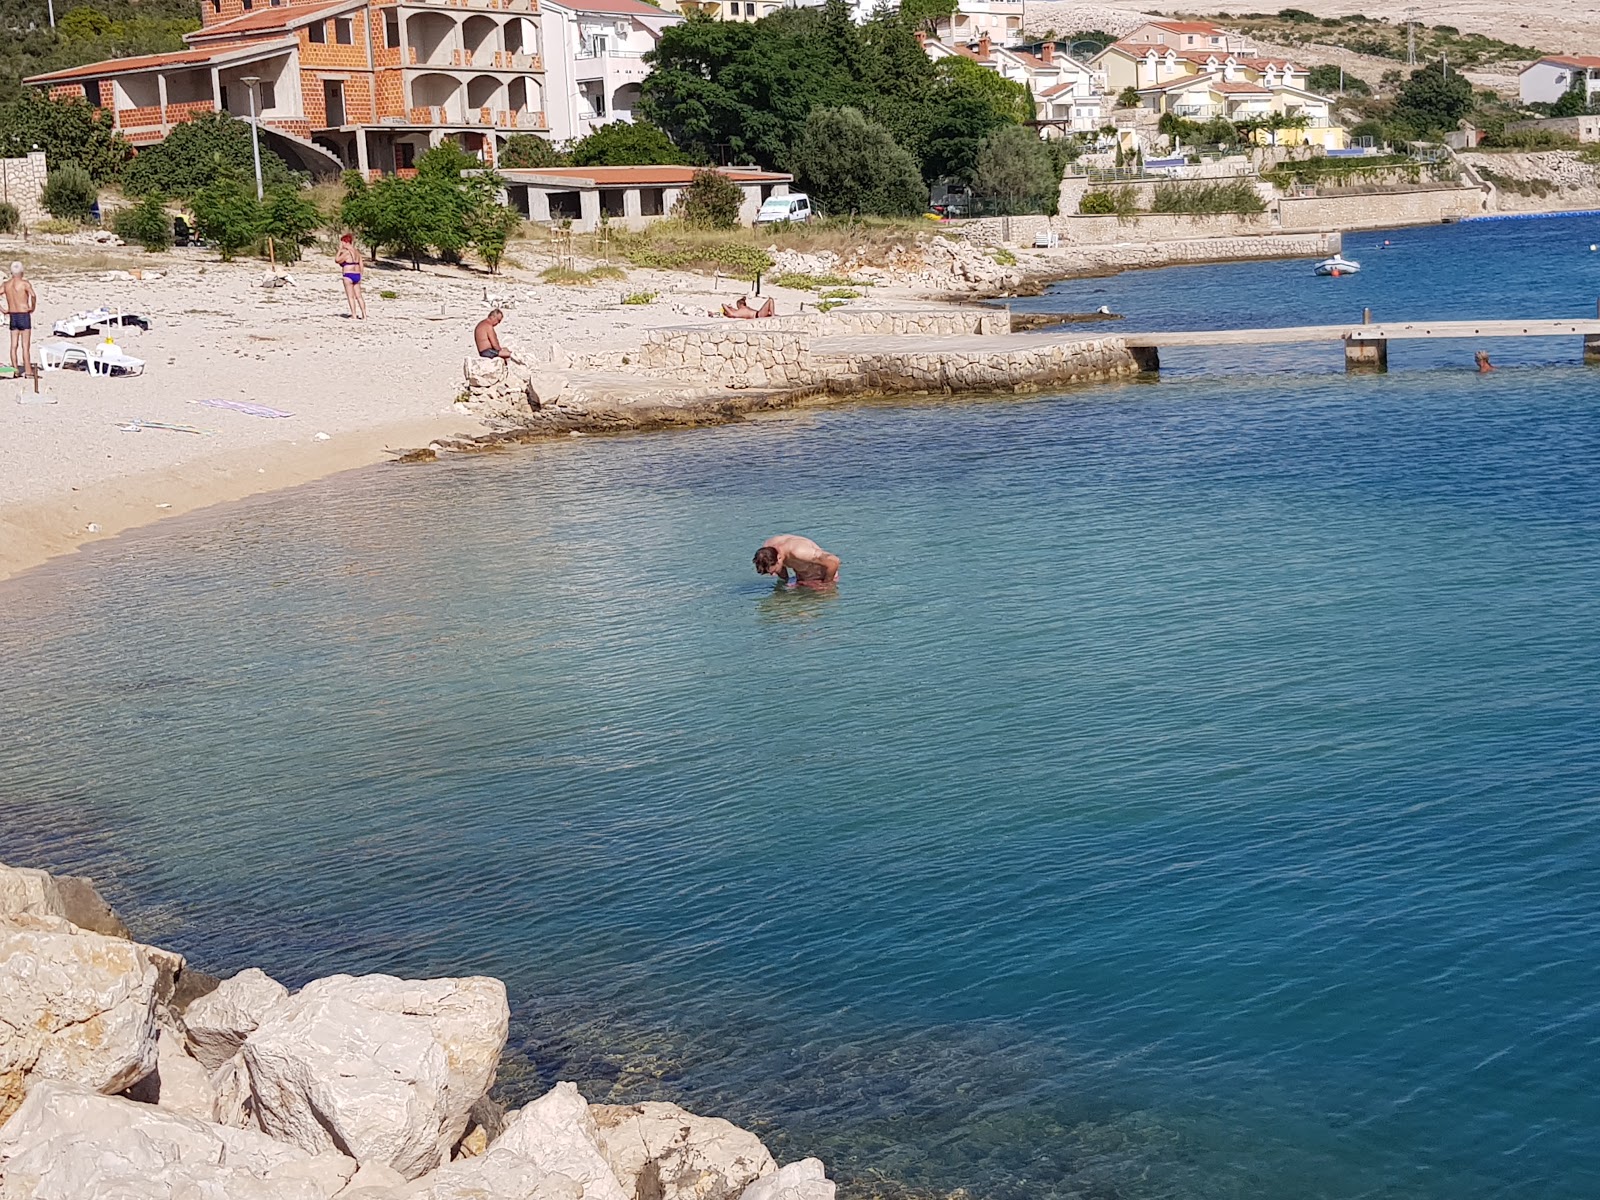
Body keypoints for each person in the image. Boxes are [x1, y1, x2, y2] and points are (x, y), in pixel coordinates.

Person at [753, 534, 840, 588]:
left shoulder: (799, 552)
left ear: (779, 558)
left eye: (773, 571)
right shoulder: (768, 550)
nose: (772, 575)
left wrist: (826, 585)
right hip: (801, 580)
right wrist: (785, 582)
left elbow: (834, 562)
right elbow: (780, 567)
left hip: (822, 579)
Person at [2, 261, 36, 377]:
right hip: (23, 314)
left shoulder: (6, 284)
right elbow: (33, 295)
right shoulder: (24, 283)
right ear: (22, 272)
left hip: (13, 315)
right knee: (25, 346)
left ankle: (15, 370)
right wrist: (32, 307)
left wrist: (3, 309)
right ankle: (28, 371)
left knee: (13, 345)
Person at [335, 233, 367, 320]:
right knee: (359, 296)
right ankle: (364, 315)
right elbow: (361, 264)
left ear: (345, 242)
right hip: (357, 274)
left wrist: (339, 250)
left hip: (348, 275)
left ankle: (354, 315)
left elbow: (337, 260)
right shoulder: (357, 252)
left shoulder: (346, 252)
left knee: (350, 296)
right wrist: (360, 274)